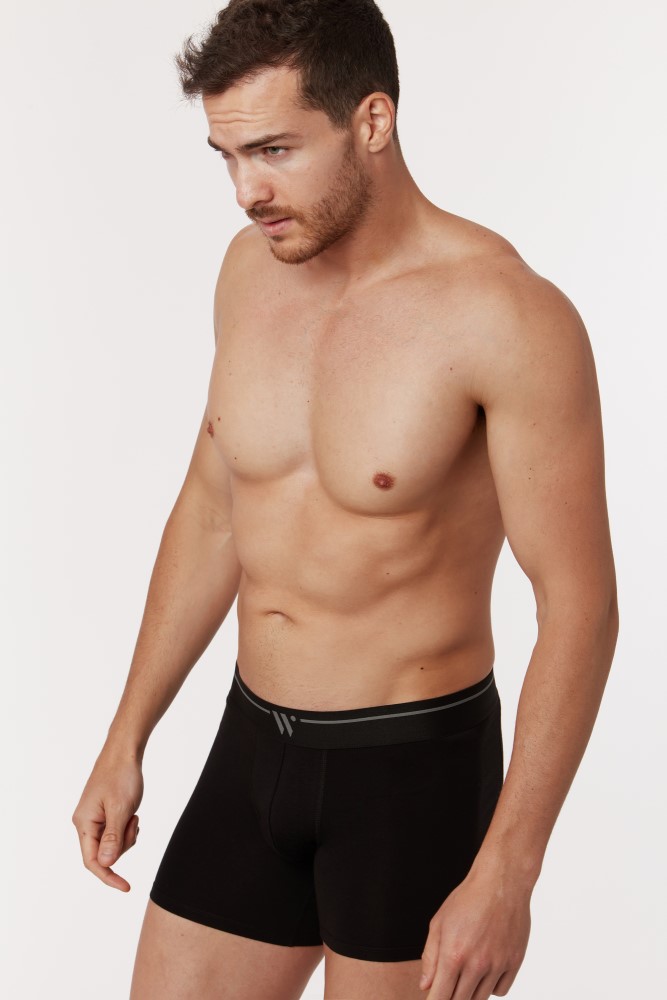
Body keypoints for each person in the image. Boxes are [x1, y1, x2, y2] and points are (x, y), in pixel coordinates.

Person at [71, 1, 619, 998]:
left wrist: (509, 867)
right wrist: (126, 733)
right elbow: (213, 508)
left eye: (274, 150)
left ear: (371, 121)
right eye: (227, 157)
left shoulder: (506, 317)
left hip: (410, 777)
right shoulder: (249, 273)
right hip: (251, 749)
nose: (246, 190)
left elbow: (577, 607)